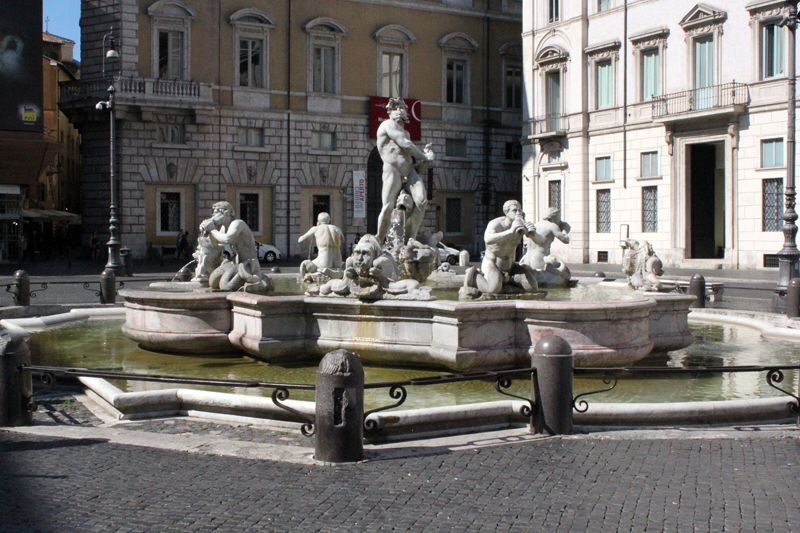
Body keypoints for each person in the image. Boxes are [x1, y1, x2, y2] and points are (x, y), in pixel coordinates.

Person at [375, 97, 434, 244]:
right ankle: (378, 240)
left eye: (403, 108)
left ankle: (410, 238)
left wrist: (427, 161)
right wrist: (424, 155)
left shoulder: (406, 133)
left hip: (409, 171)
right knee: (388, 207)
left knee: (422, 201)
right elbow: (405, 144)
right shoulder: (387, 125)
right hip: (392, 169)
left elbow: (417, 167)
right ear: (390, 112)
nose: (401, 111)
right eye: (397, 108)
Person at [465, 200, 539, 295]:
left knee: (532, 288)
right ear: (506, 212)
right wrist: (510, 231)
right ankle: (475, 276)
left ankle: (507, 282)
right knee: (493, 290)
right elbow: (487, 239)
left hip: (511, 266)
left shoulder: (522, 225)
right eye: (514, 210)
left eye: (519, 210)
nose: (518, 213)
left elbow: (540, 241)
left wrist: (533, 234)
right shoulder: (496, 224)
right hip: (493, 264)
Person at [298, 212, 345, 279]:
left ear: (318, 221)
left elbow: (300, 240)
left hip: (324, 262)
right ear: (329, 220)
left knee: (304, 264)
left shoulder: (316, 228)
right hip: (338, 262)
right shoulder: (337, 229)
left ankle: (303, 283)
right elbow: (343, 240)